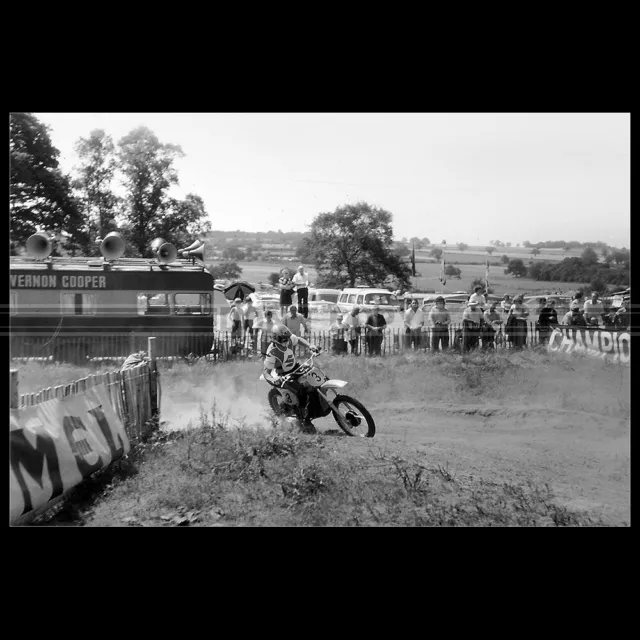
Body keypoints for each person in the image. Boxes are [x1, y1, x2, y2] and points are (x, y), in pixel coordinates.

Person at [263, 324, 320, 432]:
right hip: (284, 375)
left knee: (314, 379)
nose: (286, 341)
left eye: (287, 337)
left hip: (296, 367)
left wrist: (310, 346)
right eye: (282, 339)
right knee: (300, 391)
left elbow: (298, 340)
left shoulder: (289, 339)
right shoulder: (272, 352)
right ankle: (303, 420)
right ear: (275, 339)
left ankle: (316, 407)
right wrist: (273, 379)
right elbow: (266, 372)